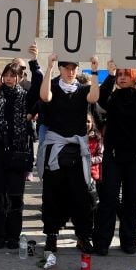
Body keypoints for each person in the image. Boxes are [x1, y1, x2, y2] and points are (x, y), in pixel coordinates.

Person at [93, 57, 136, 255]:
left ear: (134, 78)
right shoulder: (112, 98)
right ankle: (102, 242)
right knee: (108, 199)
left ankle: (129, 241)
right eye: (120, 75)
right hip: (114, 156)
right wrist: (110, 74)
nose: (122, 78)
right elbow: (100, 98)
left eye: (126, 74)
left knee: (132, 201)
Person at [0, 43, 41, 248]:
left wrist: (34, 60)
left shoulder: (26, 97)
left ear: (19, 78)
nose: (8, 78)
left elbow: (39, 83)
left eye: (12, 75)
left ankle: (13, 236)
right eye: (6, 75)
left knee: (15, 197)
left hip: (18, 151)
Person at [37, 53, 97, 256]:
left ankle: (82, 236)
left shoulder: (83, 90)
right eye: (66, 68)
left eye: (74, 68)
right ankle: (52, 235)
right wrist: (49, 66)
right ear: (61, 69)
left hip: (77, 151)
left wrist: (96, 70)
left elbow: (95, 98)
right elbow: (45, 97)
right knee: (52, 195)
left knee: (81, 197)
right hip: (56, 149)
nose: (70, 72)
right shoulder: (53, 87)